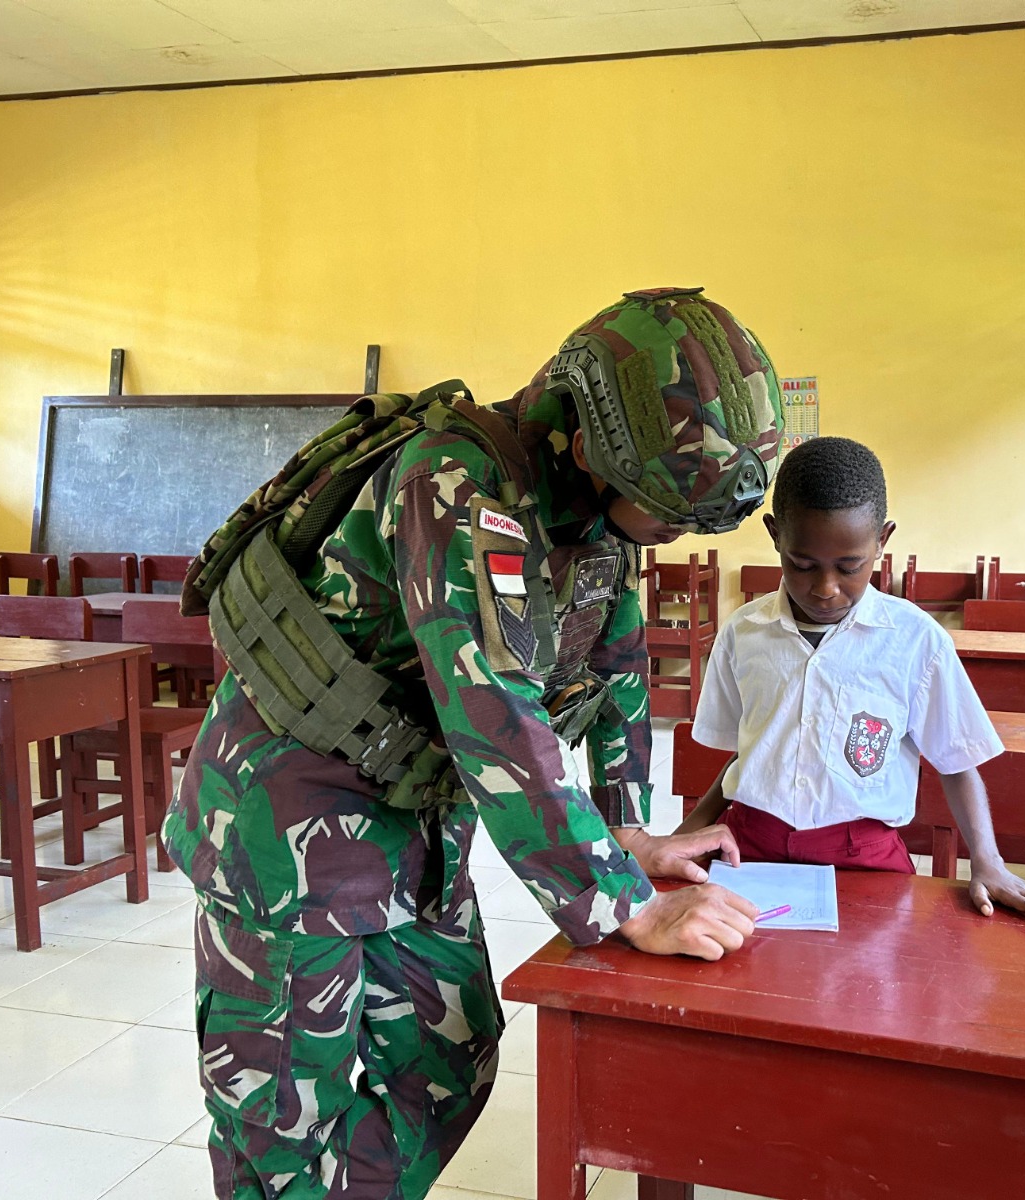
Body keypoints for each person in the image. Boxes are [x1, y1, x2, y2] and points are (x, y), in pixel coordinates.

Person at [163, 287, 783, 1200]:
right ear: (589, 442)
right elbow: (493, 708)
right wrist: (625, 906)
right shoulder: (454, 483)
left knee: (451, 1060)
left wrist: (627, 831)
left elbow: (616, 666)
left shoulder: (588, 514)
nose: (676, 532)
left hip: (417, 822)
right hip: (286, 834)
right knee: (285, 1118)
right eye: (666, 511)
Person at [678, 436, 1025, 928]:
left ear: (882, 540)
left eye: (850, 567)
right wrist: (685, 833)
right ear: (775, 536)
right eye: (802, 565)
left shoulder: (915, 641)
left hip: (865, 858)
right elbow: (749, 752)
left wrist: (988, 861)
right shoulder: (744, 632)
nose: (825, 588)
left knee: (872, 973)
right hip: (749, 851)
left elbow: (956, 763)